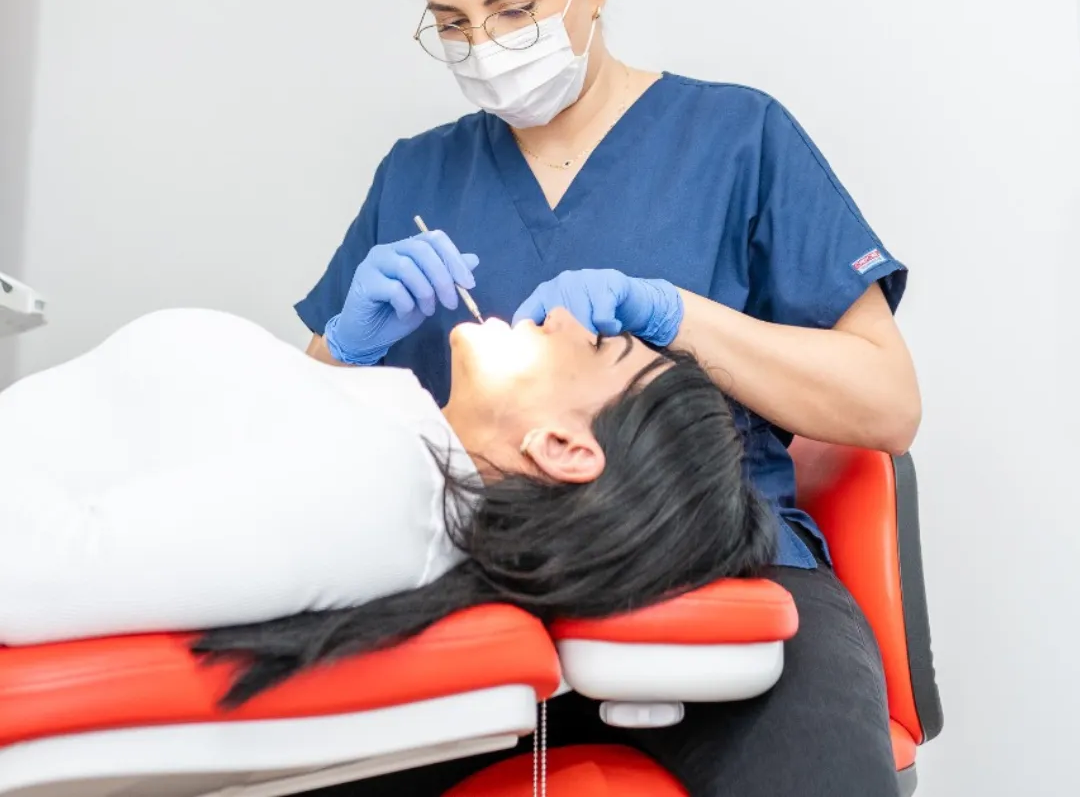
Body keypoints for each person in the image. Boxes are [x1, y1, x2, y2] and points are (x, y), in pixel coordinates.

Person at [294, 0, 922, 797]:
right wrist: (344, 347)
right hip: (472, 577)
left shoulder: (737, 137)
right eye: (452, 23)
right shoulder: (417, 174)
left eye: (514, 10)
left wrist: (678, 316)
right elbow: (296, 437)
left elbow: (887, 406)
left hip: (727, 563)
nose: (485, 48)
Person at [0, 304, 770, 659]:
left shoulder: (383, 495)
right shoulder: (392, 455)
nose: (566, 316)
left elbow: (33, 575)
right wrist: (331, 352)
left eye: (599, 343)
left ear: (566, 447)